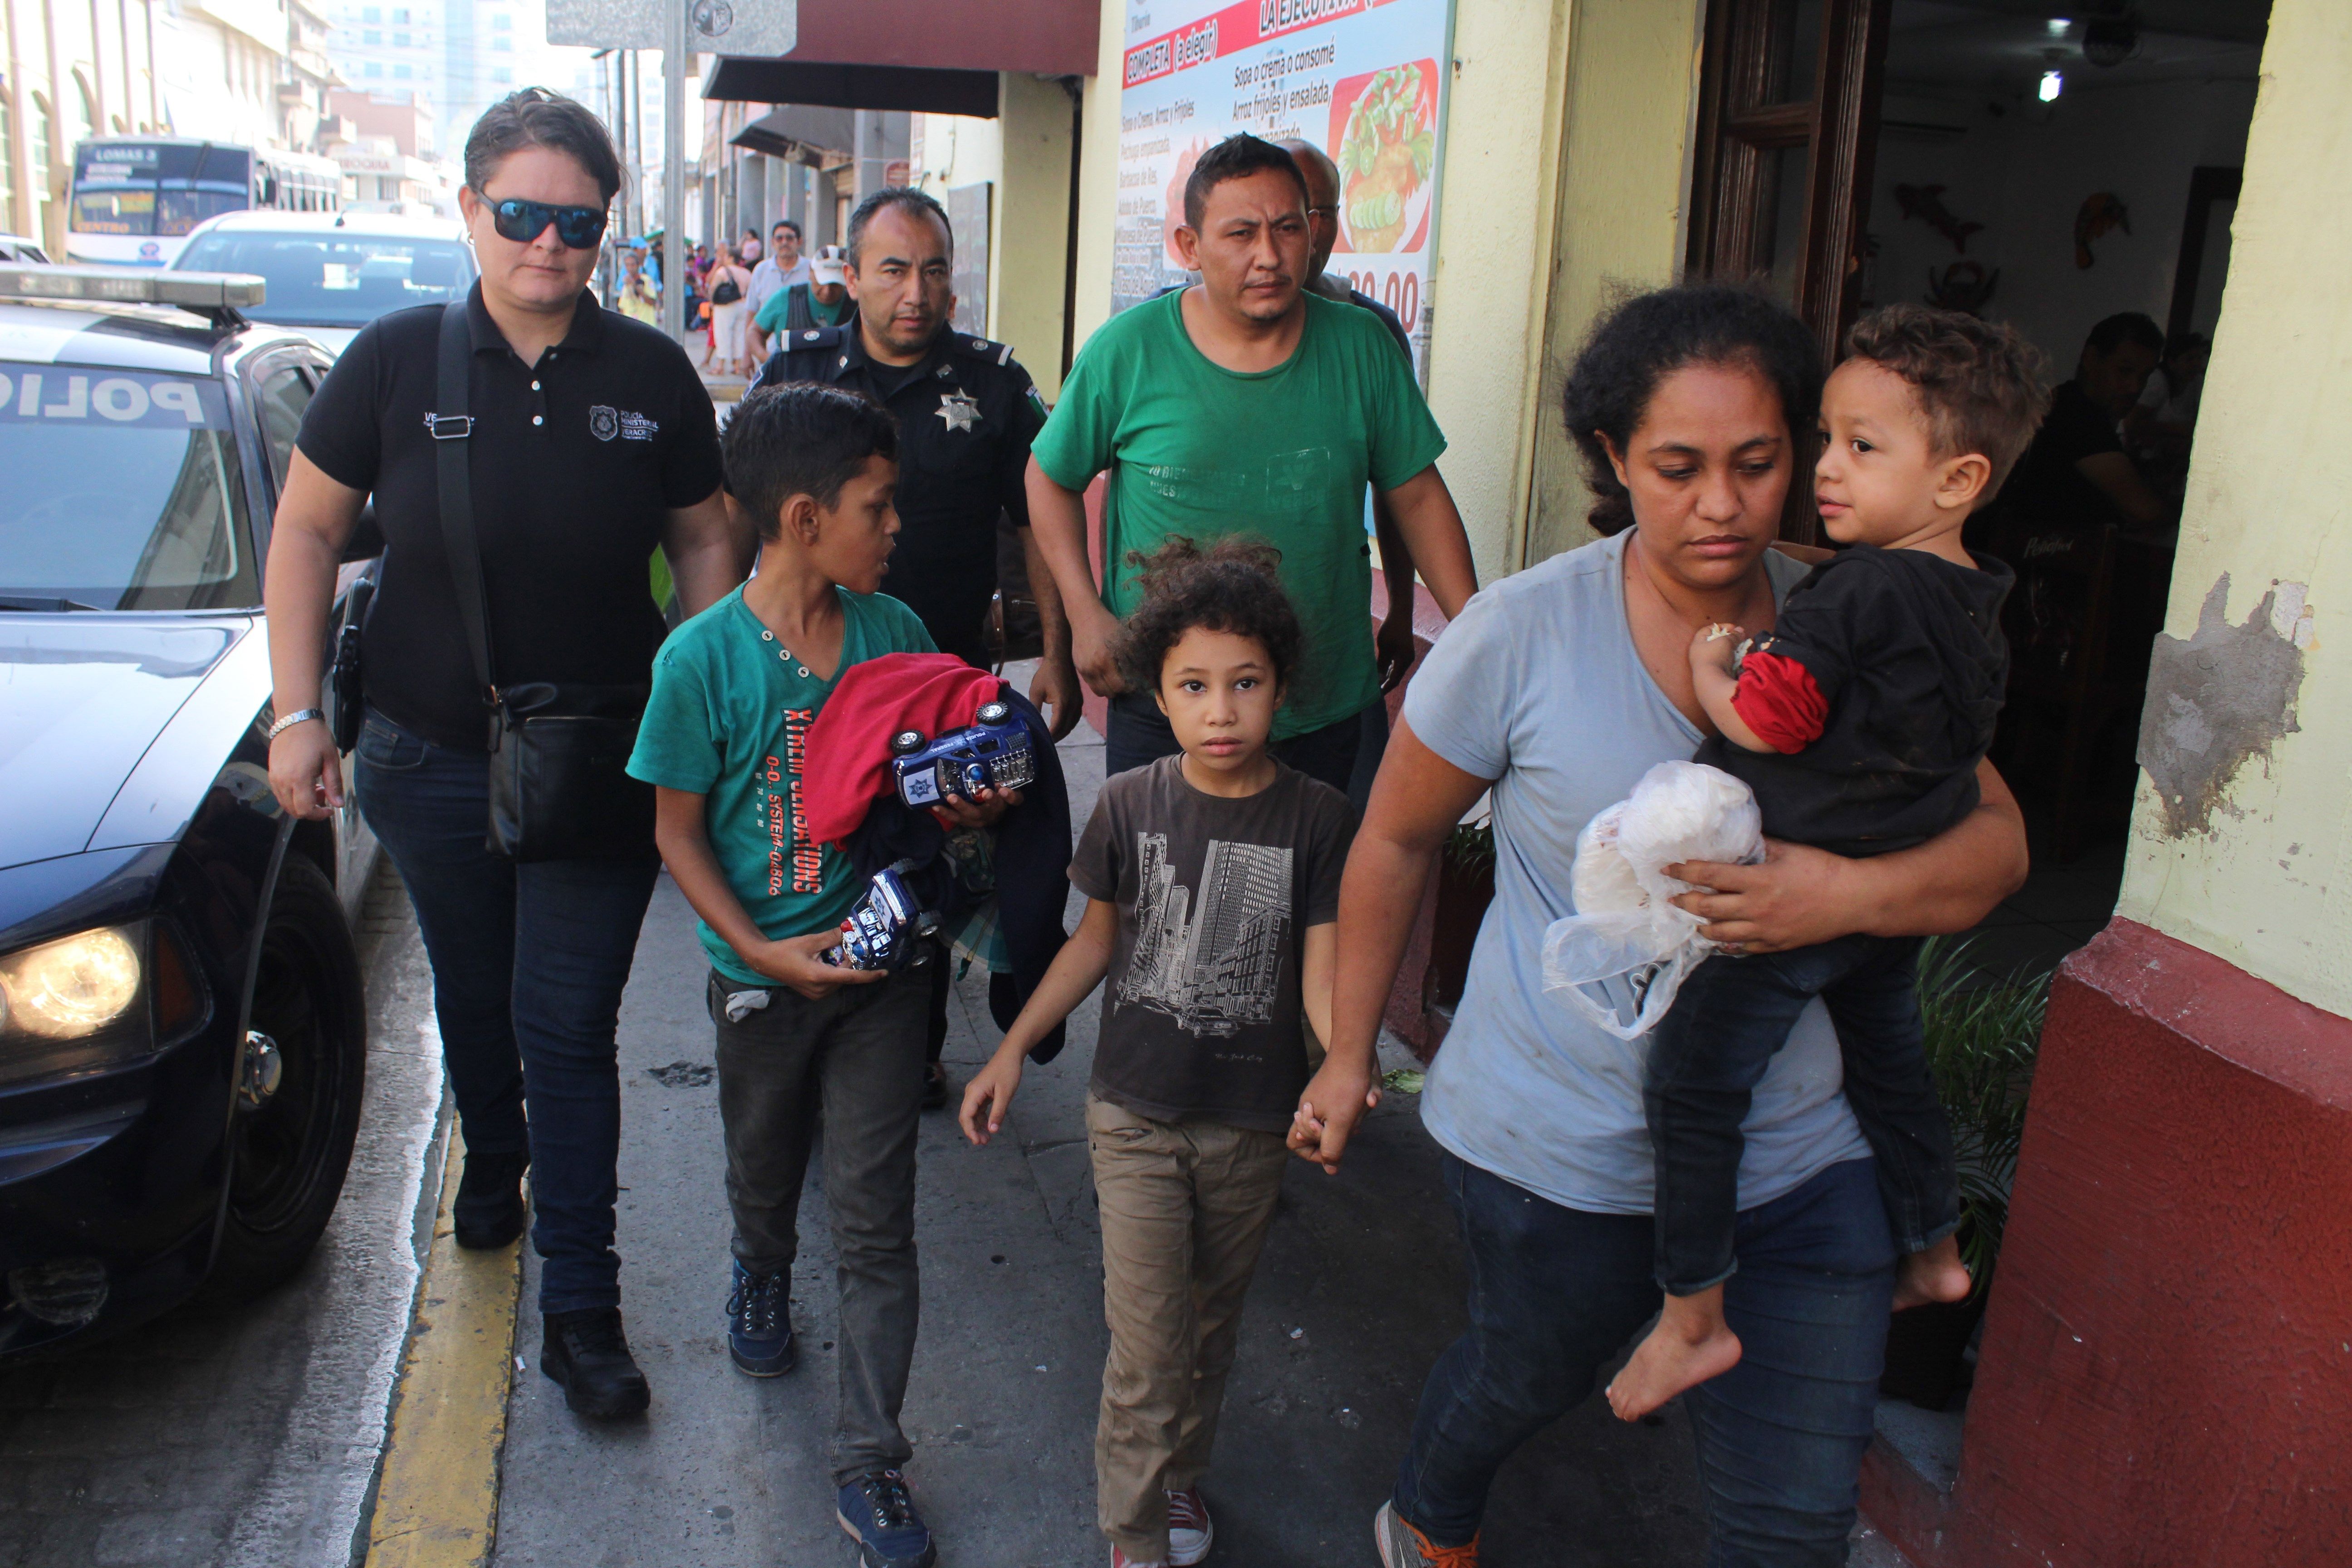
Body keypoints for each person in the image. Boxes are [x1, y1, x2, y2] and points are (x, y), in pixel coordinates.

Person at [1286, 284, 2029, 1568]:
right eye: (1677, 468)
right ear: (1615, 460)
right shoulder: (1521, 631)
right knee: (1524, 1378)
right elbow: (1396, 838)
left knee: (1791, 1525)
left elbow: (1998, 849)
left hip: (1803, 1160)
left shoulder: (1865, 610)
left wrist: (1834, 898)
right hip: (1561, 1152)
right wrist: (1350, 1053)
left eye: (1758, 463)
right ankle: (1428, 1519)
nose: (1725, 505)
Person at [262, 88, 742, 1421]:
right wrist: (299, 712)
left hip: (598, 762)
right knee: (475, 999)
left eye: (578, 223)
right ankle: (494, 1154)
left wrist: (701, 684)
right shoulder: (396, 365)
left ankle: (581, 1304)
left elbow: (709, 532)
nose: (549, 246)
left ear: (606, 230)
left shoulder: (649, 377)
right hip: (424, 758)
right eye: (522, 216)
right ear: (470, 211)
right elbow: (306, 534)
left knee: (567, 1027)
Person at [1602, 303, 2047, 1422]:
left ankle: (1690, 1316)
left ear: (1956, 478)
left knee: (1695, 1086)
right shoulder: (1977, 593)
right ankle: (1934, 1247)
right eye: (1827, 439)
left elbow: (1772, 717)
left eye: (1862, 446)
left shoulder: (1856, 587)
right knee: (1890, 1066)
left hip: (1790, 894)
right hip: (1887, 892)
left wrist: (1713, 668)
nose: (1826, 473)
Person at [627, 383, 1012, 1568]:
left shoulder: (897, 632)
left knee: (876, 1220)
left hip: (885, 982)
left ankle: (869, 1463)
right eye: (878, 507)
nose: (896, 529)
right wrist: (756, 950)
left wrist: (977, 790)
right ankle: (756, 1267)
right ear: (803, 518)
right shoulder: (699, 663)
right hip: (760, 985)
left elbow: (943, 778)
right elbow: (676, 834)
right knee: (762, 1169)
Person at [960, 537, 1353, 1568]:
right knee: (1147, 1346)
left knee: (1210, 1325)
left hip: (1250, 1123)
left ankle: (1178, 1477)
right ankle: (1132, 1537)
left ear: (1281, 687)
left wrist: (1335, 1067)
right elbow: (1092, 941)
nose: (1220, 709)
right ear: (1158, 694)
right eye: (1193, 685)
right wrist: (1011, 1047)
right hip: (1132, 1112)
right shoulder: (1129, 804)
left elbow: (1322, 972)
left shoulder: (1318, 819)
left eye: (1244, 683)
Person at [750, 186, 1082, 1110]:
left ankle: (914, 1042)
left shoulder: (990, 383)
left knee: (930, 858)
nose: (918, 292)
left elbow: (1037, 520)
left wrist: (1054, 651)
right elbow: (751, 528)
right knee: (813, 846)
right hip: (808, 675)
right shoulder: (799, 374)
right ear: (849, 275)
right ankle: (809, 1016)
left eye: (936, 271)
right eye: (894, 269)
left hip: (940, 684)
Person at [1027, 133, 1479, 798]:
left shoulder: (1362, 347)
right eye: (1240, 234)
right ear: (1189, 247)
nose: (1268, 256)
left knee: (1314, 899)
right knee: (1164, 897)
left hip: (1322, 699)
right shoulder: (1130, 350)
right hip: (1166, 704)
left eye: (1288, 228)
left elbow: (1415, 496)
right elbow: (1050, 477)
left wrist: (1475, 634)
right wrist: (1085, 615)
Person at [1276, 136, 1423, 806]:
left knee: (1346, 826)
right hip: (1212, 653)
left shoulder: (1371, 331)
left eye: (1321, 212)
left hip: (1335, 645)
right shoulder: (1170, 327)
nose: (1305, 234)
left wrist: (1398, 605)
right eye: (1288, 213)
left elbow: (1403, 487)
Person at [1997, 310, 2166, 533]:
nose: (2135, 387)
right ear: (2091, 358)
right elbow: (2147, 512)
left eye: (2144, 376)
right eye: (2125, 371)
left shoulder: (2062, 402)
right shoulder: (2079, 417)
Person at [753, 242, 855, 339]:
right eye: (821, 283)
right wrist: (766, 357)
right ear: (811, 273)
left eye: (835, 285)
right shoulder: (786, 298)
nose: (827, 292)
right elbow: (754, 332)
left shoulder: (857, 306)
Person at [746, 217, 812, 359]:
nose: (784, 243)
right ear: (772, 243)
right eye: (779, 238)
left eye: (789, 238)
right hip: (768, 355)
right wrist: (747, 354)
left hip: (805, 353)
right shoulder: (761, 270)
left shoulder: (811, 270)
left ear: (799, 242)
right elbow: (751, 312)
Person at [708, 241, 754, 377]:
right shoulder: (747, 273)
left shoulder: (723, 271)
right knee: (739, 334)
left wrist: (712, 302)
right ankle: (737, 365)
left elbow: (713, 287)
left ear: (730, 257)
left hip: (725, 306)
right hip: (743, 305)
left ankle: (720, 365)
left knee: (723, 333)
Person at [615, 239, 658, 324]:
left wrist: (634, 285)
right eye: (627, 265)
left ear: (638, 266)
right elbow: (622, 307)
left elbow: (651, 302)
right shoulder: (625, 283)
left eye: (633, 265)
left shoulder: (647, 280)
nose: (630, 268)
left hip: (645, 325)